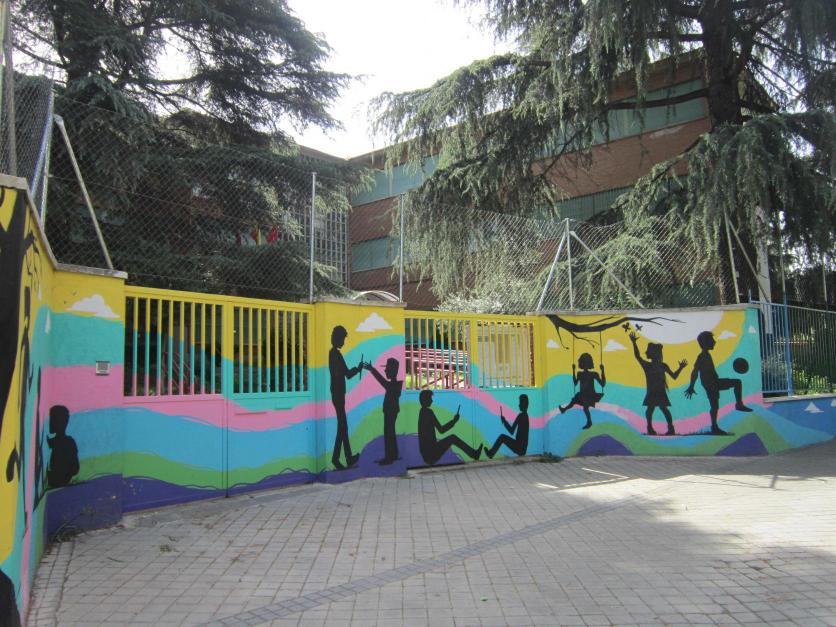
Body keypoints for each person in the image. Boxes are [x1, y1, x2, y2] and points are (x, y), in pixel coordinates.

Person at [685, 331, 752, 435]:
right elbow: (695, 371)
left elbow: (698, 371)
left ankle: (714, 427)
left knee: (715, 406)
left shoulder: (706, 355)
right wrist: (691, 386)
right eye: (712, 340)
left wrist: (692, 386)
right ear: (706, 343)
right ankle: (738, 405)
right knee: (737, 383)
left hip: (711, 384)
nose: (714, 342)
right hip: (712, 384)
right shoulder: (702, 356)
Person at [629, 332, 687, 435]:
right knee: (660, 409)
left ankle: (658, 428)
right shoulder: (659, 365)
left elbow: (638, 356)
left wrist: (634, 342)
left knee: (653, 409)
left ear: (653, 353)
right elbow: (674, 376)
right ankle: (660, 428)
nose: (646, 352)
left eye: (648, 350)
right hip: (656, 391)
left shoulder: (650, 365)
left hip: (656, 391)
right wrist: (680, 368)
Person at [417, 390, 483, 465]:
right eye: (430, 398)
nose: (432, 400)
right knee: (452, 438)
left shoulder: (422, 412)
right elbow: (441, 430)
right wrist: (454, 421)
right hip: (431, 453)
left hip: (426, 454)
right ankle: (474, 454)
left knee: (452, 438)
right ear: (425, 400)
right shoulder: (428, 412)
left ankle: (474, 454)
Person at [329, 326, 363, 469]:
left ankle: (343, 458)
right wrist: (358, 368)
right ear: (338, 338)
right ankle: (341, 458)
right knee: (343, 426)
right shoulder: (335, 355)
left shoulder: (333, 354)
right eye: (343, 338)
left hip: (337, 393)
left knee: (342, 427)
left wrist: (356, 369)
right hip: (338, 394)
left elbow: (344, 374)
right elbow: (347, 374)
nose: (343, 341)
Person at [364, 357, 402, 465]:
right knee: (391, 432)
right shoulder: (395, 384)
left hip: (391, 411)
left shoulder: (395, 385)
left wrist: (372, 370)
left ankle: (389, 457)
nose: (385, 371)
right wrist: (372, 369)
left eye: (387, 369)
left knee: (388, 432)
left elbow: (383, 382)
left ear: (393, 370)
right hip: (390, 411)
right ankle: (393, 455)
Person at [559, 353, 605, 429]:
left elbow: (602, 384)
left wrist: (602, 371)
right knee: (572, 402)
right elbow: (575, 383)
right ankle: (564, 409)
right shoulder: (580, 374)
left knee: (585, 408)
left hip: (589, 395)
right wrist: (573, 370)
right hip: (582, 394)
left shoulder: (593, 374)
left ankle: (589, 422)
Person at [486, 394, 529, 458]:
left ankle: (491, 454)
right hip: (522, 448)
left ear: (524, 404)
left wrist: (504, 421)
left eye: (520, 403)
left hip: (519, 447)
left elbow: (511, 431)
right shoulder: (526, 416)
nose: (519, 405)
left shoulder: (520, 416)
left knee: (502, 437)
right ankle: (490, 453)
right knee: (502, 437)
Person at [46, 405, 79, 487]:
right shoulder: (63, 442)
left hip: (58, 482)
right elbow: (75, 469)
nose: (50, 422)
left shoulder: (67, 443)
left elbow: (75, 468)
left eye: (53, 419)